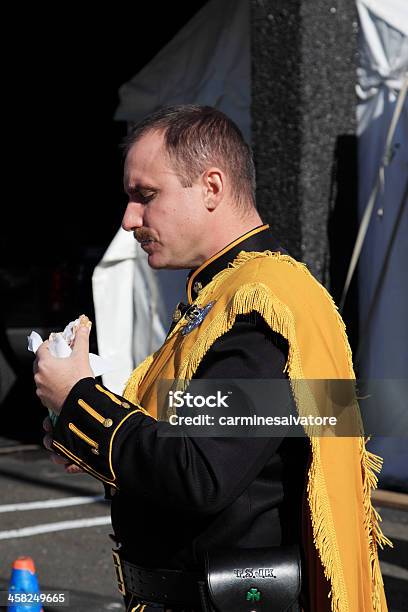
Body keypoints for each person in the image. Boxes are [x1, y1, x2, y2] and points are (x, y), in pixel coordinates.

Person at [34, 105, 390, 612]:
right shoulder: (224, 295)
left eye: (146, 196)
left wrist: (80, 398)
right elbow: (192, 442)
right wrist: (79, 428)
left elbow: (198, 473)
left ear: (212, 187)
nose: (130, 218)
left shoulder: (262, 304)